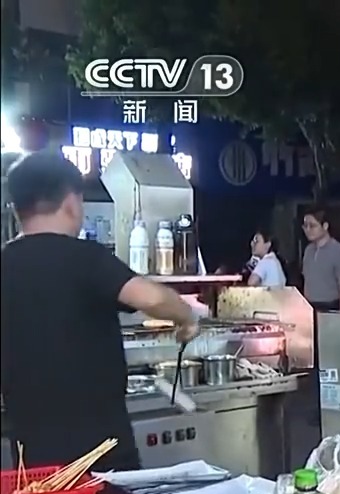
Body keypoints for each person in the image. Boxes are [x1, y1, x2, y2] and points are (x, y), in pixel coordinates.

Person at [0, 151, 199, 472]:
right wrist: (186, 317)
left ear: (17, 208)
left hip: (33, 460)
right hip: (101, 454)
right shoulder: (85, 258)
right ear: (72, 203)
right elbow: (152, 298)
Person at [300, 208, 340, 313]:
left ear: (325, 226)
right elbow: (306, 281)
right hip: (309, 306)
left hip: (330, 306)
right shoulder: (308, 250)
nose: (308, 230)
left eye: (312, 226)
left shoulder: (339, 251)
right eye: (305, 226)